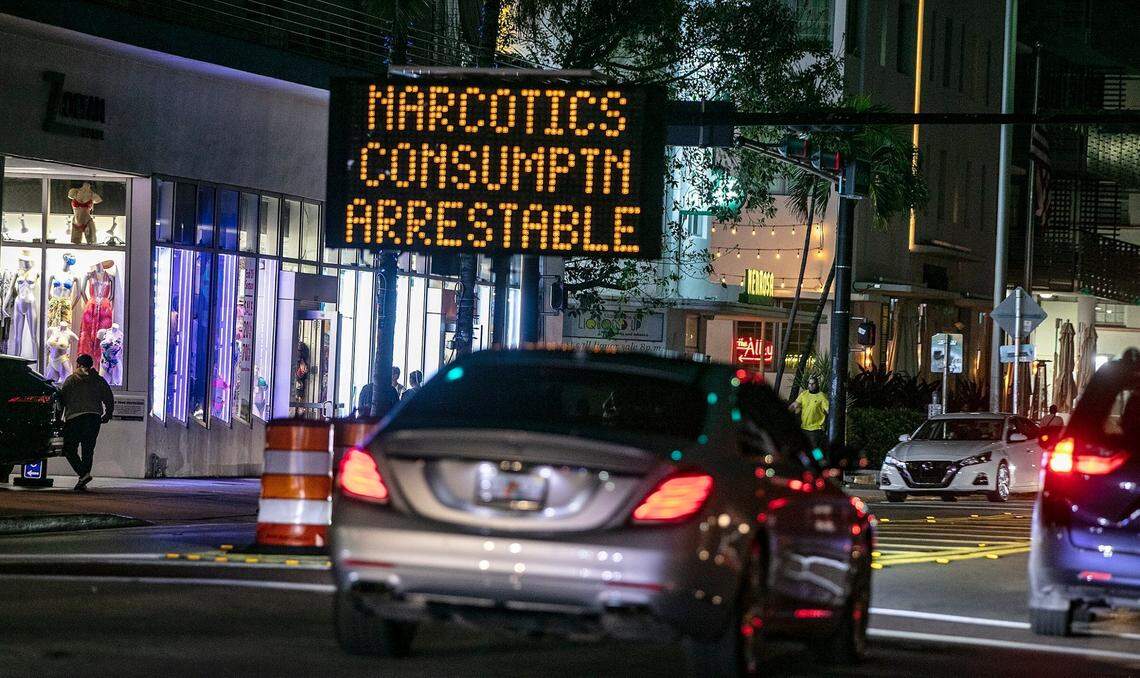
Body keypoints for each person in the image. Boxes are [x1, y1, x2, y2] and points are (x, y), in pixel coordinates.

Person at [58, 353, 114, 491]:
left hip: (75, 418)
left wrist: (59, 418)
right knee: (88, 450)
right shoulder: (99, 380)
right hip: (94, 418)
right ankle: (83, 478)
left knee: (69, 449)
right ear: (91, 365)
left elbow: (62, 401)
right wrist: (108, 414)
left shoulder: (70, 380)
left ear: (77, 364)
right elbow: (109, 397)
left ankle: (83, 474)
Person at [790, 376, 829, 452]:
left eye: (813, 383)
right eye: (809, 383)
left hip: (815, 428)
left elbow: (828, 410)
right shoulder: (804, 394)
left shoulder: (822, 396)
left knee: (815, 449)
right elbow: (795, 405)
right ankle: (807, 463)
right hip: (804, 427)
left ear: (817, 384)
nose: (810, 385)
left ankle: (819, 462)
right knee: (803, 448)